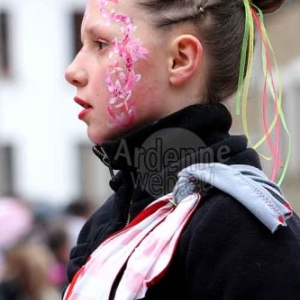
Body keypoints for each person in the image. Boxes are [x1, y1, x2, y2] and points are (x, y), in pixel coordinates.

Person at [64, 0, 300, 299]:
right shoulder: (103, 223)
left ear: (180, 59)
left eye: (100, 44)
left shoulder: (244, 230)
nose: (72, 71)